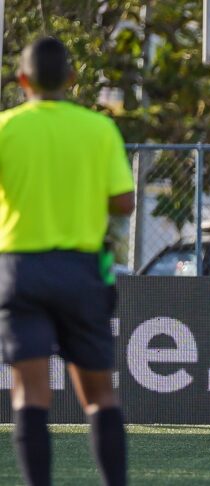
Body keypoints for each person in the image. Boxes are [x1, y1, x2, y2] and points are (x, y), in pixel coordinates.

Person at [0, 37, 134, 486]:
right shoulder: (98, 128)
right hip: (81, 271)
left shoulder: (5, 128)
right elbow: (124, 201)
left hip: (20, 270)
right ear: (72, 79)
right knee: (99, 396)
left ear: (22, 80)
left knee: (29, 395)